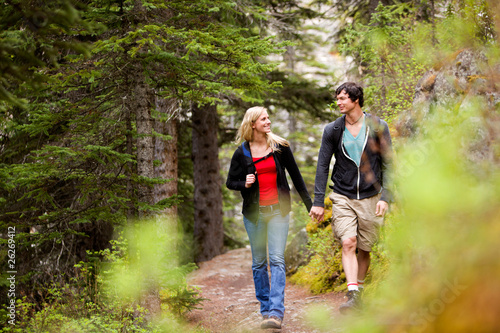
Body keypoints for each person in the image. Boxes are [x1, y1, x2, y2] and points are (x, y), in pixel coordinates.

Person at [226, 106, 312, 329]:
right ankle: (265, 310)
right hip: (254, 215)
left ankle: (276, 312)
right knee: (259, 263)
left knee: (277, 260)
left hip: (278, 212)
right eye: (263, 119)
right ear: (253, 124)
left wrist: (311, 205)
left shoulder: (279, 147)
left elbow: (296, 177)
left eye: (268, 117)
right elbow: (230, 182)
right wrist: (243, 183)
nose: (268, 121)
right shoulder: (242, 152)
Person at [309, 82, 392, 313]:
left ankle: (360, 292)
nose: (338, 102)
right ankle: (352, 292)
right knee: (348, 241)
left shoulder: (377, 126)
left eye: (343, 98)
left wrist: (386, 196)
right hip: (343, 195)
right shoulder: (333, 130)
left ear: (356, 100)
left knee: (365, 248)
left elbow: (389, 165)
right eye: (337, 98)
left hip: (371, 196)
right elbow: (323, 166)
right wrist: (318, 202)